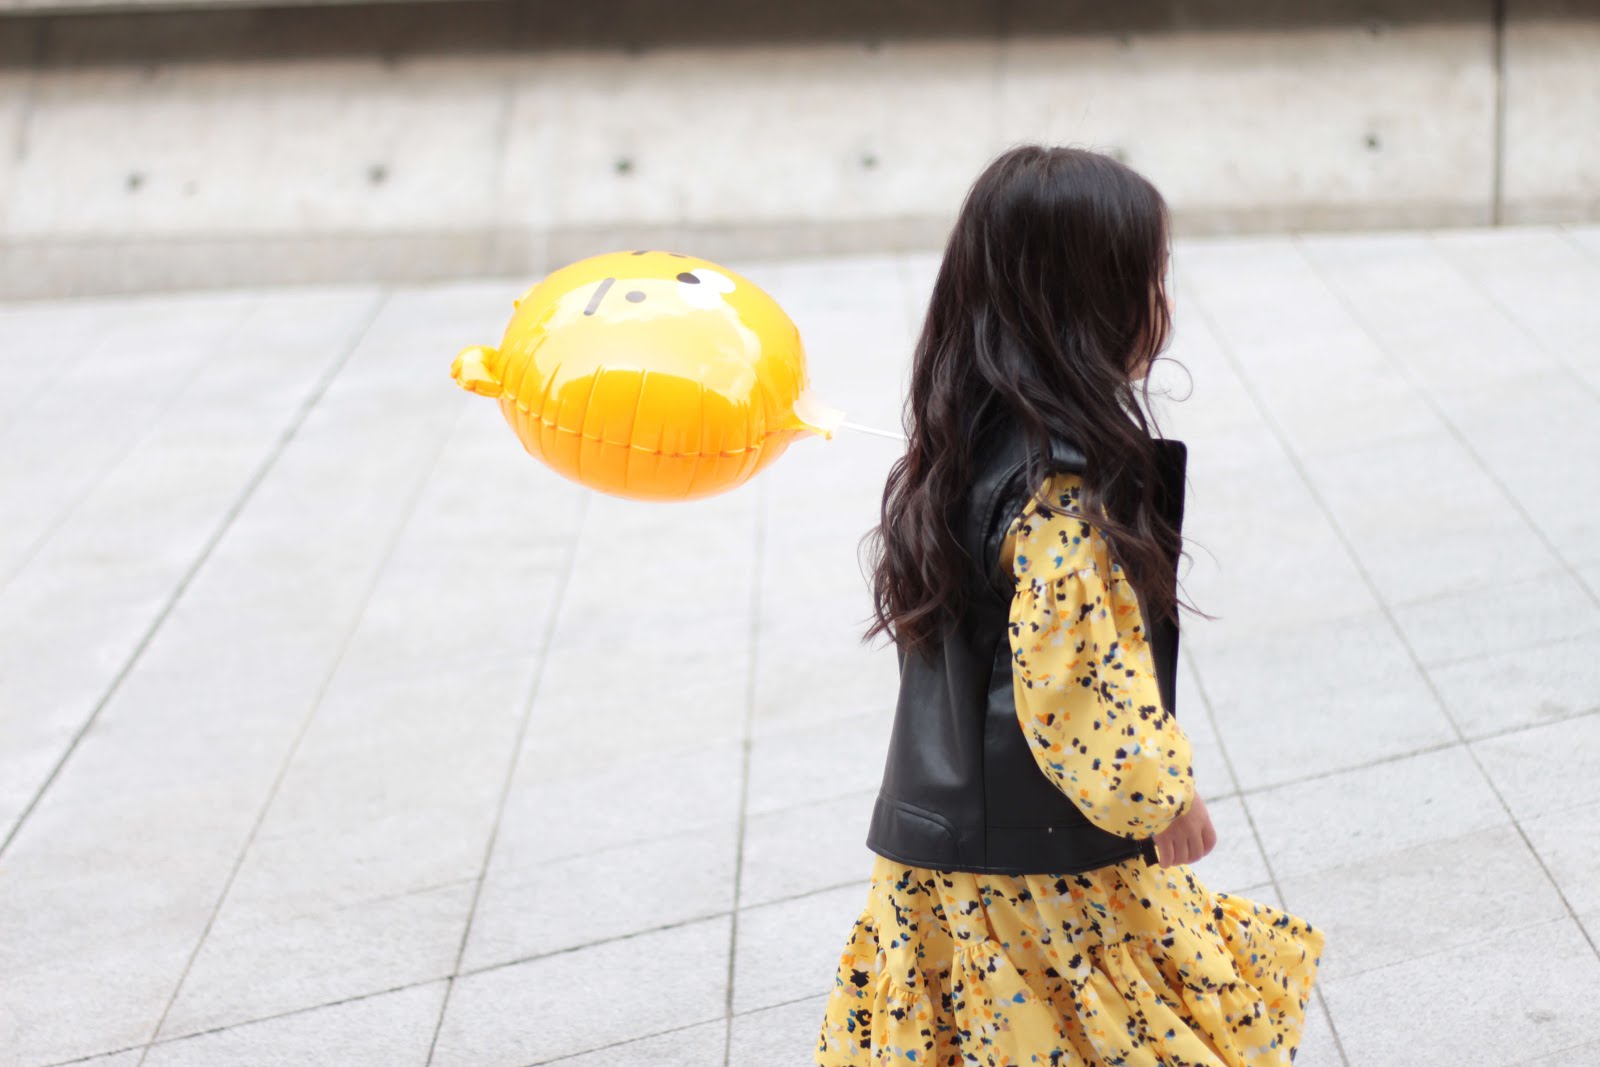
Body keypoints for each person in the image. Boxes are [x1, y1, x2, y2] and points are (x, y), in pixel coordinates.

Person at [815, 145, 1325, 1066]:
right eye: (1149, 279)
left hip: (944, 848)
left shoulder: (960, 451)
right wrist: (1164, 796)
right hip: (1038, 862)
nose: (1164, 305)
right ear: (1089, 307)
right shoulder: (1055, 493)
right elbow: (1078, 680)